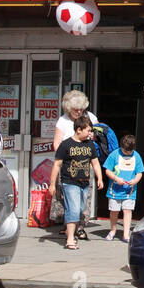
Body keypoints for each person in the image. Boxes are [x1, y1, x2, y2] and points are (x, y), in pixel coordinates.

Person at [49, 116, 103, 250]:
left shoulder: (89, 145)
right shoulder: (66, 144)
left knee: (79, 209)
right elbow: (57, 165)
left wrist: (100, 178)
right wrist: (52, 184)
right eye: (88, 130)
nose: (90, 133)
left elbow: (95, 163)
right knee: (73, 209)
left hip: (84, 183)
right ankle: (70, 240)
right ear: (79, 130)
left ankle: (69, 230)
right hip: (69, 182)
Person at [53, 90, 98, 240]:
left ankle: (80, 226)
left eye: (81, 109)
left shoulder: (90, 117)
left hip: (85, 164)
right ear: (68, 108)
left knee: (84, 199)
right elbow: (56, 143)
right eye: (75, 110)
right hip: (68, 166)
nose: (79, 112)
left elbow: (98, 137)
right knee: (68, 197)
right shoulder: (63, 121)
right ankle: (69, 227)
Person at [104, 133, 144, 242]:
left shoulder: (136, 156)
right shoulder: (114, 154)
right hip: (115, 190)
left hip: (129, 191)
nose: (127, 153)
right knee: (114, 211)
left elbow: (139, 172)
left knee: (128, 211)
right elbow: (107, 170)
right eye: (125, 151)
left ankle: (126, 234)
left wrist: (135, 181)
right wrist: (116, 179)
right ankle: (113, 230)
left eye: (129, 152)